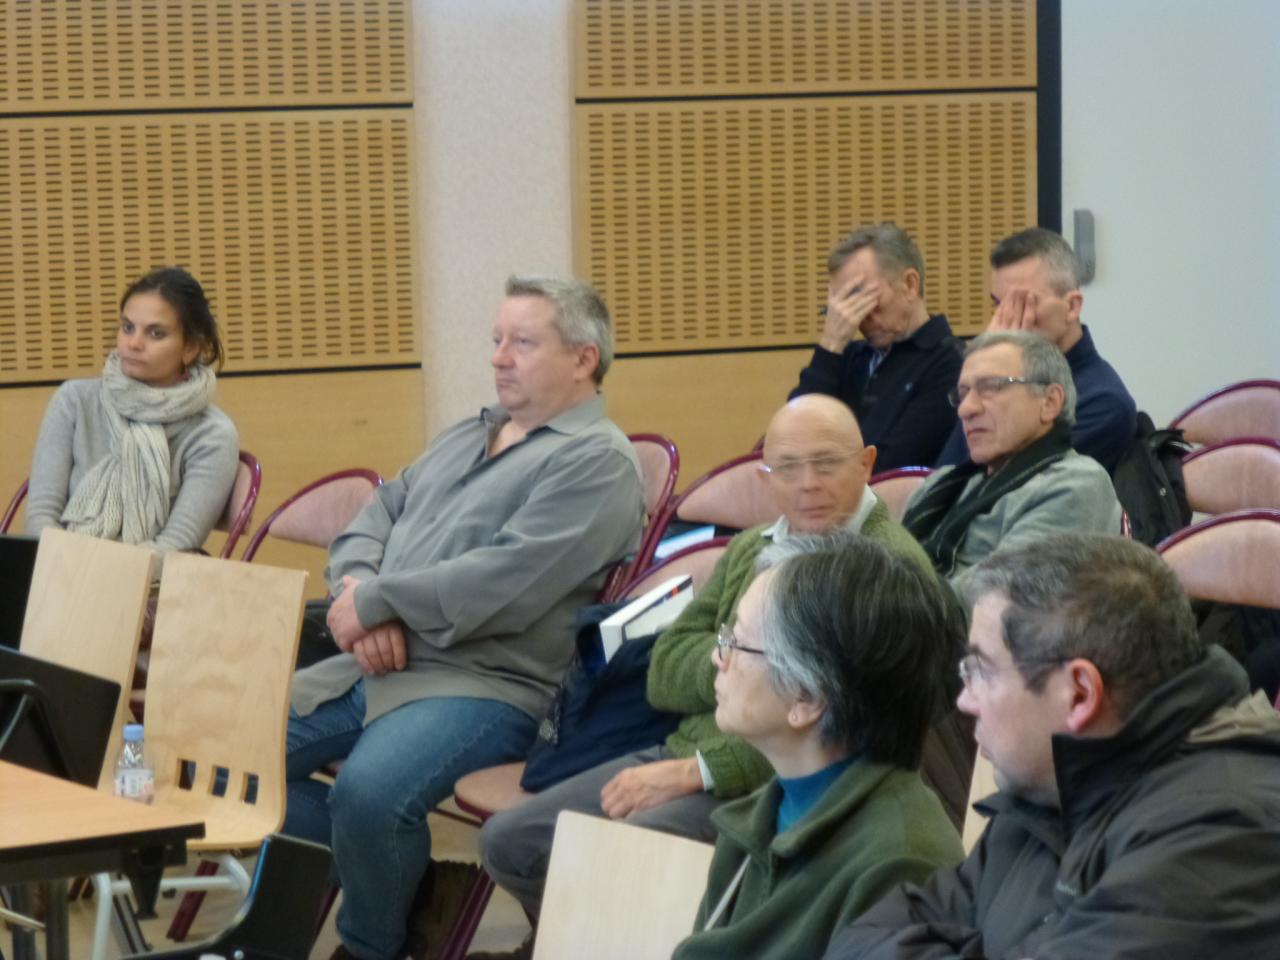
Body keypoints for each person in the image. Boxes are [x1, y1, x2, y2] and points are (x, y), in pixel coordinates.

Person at [478, 394, 943, 945]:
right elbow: (665, 669)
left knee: (628, 856)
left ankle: (627, 938)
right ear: (767, 478)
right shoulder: (752, 548)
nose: (808, 483)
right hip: (687, 746)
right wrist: (746, 668)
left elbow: (839, 730)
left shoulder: (887, 573)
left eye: (827, 463)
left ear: (866, 463)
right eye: (788, 468)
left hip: (768, 775)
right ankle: (579, 936)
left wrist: (704, 768)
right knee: (509, 840)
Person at [283, 276, 645, 960]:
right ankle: (407, 886)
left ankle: (370, 946)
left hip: (485, 686)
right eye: (497, 340)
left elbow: (501, 582)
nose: (499, 357)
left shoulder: (598, 463)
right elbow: (376, 515)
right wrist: (361, 591)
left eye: (522, 342)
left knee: (369, 794)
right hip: (378, 661)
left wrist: (377, 604)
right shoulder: (467, 433)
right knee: (231, 758)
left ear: (583, 358)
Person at [823, 533, 1280, 960]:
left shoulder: (1225, 834)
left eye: (981, 670)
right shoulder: (1053, 783)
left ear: (1079, 693)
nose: (964, 699)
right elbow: (864, 940)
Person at [672, 533, 964, 960]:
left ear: (806, 698)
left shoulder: (900, 867)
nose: (719, 657)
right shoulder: (766, 813)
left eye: (738, 641)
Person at [25, 266, 238, 559]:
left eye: (155, 333)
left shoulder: (211, 434)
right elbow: (40, 517)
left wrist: (102, 573)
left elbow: (177, 544)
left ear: (190, 348)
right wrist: (69, 570)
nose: (134, 343)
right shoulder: (74, 401)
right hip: (59, 569)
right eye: (127, 327)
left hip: (150, 587)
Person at [902, 331, 1121, 599]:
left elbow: (1001, 600)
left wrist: (880, 605)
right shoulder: (943, 483)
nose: (965, 409)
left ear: (1049, 402)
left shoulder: (1075, 483)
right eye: (963, 394)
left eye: (990, 387)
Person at [935, 228, 1136, 472]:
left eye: (1025, 301)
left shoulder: (1103, 403)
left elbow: (994, 487)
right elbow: (944, 477)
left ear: (1072, 306)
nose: (1008, 317)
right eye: (1000, 305)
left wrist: (993, 364)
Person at [790, 223, 962, 470]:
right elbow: (794, 437)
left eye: (865, 300)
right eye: (845, 307)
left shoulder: (951, 363)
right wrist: (830, 345)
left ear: (910, 285)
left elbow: (890, 464)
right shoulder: (848, 357)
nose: (857, 318)